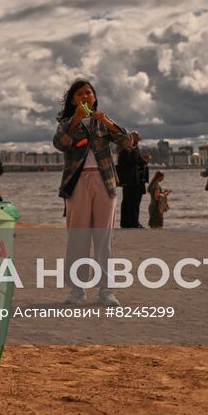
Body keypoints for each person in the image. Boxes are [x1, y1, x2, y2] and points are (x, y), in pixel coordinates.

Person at [53, 79, 134, 306]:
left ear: (95, 98)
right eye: (80, 94)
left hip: (104, 181)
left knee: (103, 238)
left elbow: (127, 141)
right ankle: (77, 290)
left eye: (89, 93)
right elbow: (60, 143)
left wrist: (107, 122)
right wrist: (76, 121)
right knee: (78, 236)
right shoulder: (68, 123)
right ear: (73, 100)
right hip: (77, 182)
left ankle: (106, 290)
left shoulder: (102, 122)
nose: (85, 96)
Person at [116, 131, 147, 228]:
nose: (134, 142)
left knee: (133, 202)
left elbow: (139, 162)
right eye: (132, 140)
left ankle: (132, 222)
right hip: (129, 181)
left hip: (134, 181)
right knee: (129, 202)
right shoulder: (125, 151)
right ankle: (129, 223)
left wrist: (143, 160)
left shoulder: (132, 150)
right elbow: (132, 163)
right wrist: (135, 152)